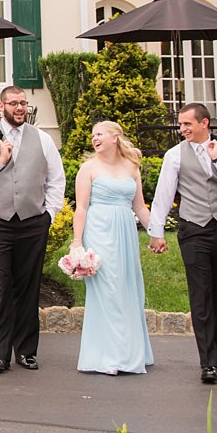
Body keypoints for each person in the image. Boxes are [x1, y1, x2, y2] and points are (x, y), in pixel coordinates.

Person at [0, 86, 65, 374]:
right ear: (1, 105)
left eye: (23, 103)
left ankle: (27, 352)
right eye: (13, 103)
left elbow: (56, 179)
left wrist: (49, 215)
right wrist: (0, 162)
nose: (19, 108)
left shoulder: (41, 138)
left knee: (28, 288)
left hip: (33, 222)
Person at [148, 102, 217, 384]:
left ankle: (215, 353)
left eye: (187, 124)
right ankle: (207, 362)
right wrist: (156, 232)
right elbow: (164, 194)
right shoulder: (175, 155)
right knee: (201, 295)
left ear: (204, 123)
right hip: (193, 230)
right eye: (180, 124)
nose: (182, 129)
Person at [72, 121, 154, 376]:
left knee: (127, 288)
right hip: (99, 231)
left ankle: (131, 351)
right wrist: (77, 243)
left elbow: (139, 207)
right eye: (92, 135)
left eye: (99, 134)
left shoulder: (132, 167)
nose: (94, 139)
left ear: (115, 137)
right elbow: (81, 208)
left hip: (125, 233)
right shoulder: (88, 169)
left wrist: (156, 233)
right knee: (107, 290)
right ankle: (109, 356)